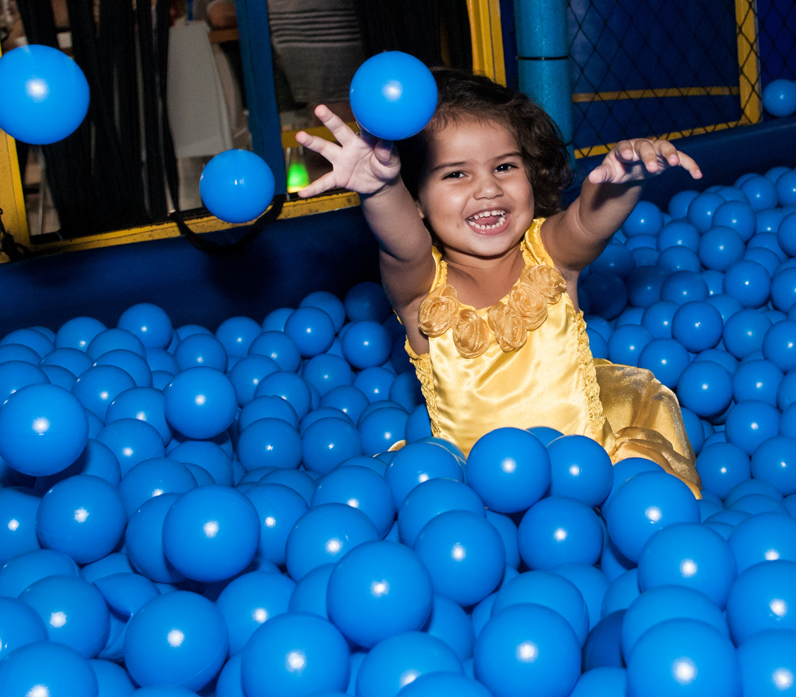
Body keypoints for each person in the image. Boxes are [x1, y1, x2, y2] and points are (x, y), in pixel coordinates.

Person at [294, 69, 703, 495]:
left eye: (505, 166)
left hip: (590, 478)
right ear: (414, 198)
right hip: (475, 493)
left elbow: (588, 222)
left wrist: (628, 179)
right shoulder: (422, 292)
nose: (488, 188)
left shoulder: (550, 257)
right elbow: (403, 246)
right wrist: (380, 190)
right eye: (456, 174)